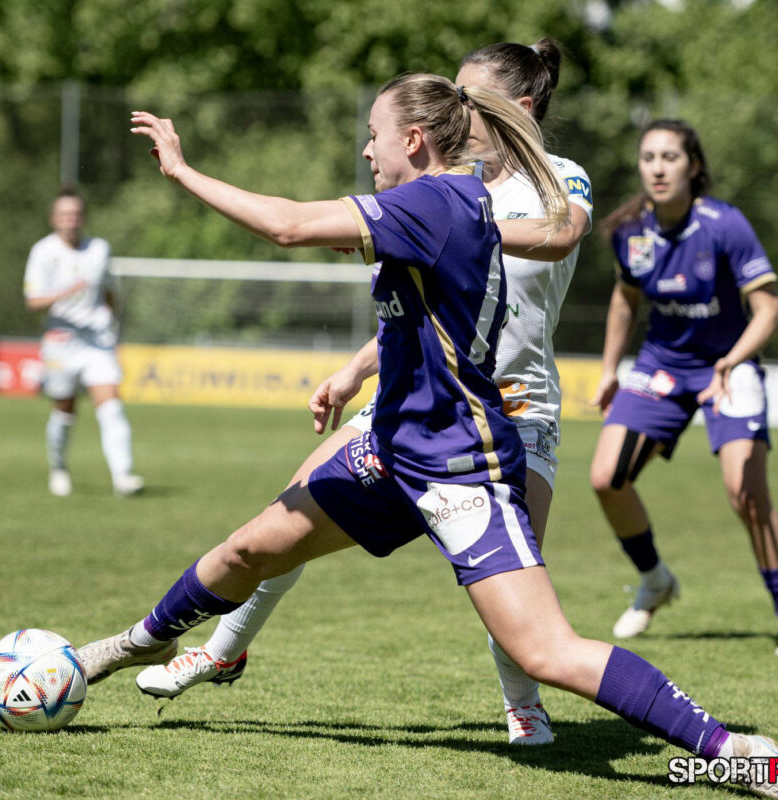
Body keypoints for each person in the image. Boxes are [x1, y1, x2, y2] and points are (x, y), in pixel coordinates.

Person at [77, 77, 778, 795]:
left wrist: (182, 170)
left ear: (412, 140)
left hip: (458, 464)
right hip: (390, 448)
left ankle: (738, 750)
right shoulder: (451, 201)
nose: (366, 150)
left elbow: (285, 224)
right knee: (249, 547)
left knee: (545, 651)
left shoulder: (434, 202)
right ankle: (127, 647)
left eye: (373, 135)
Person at [133, 39, 593, 747]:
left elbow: (562, 235)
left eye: (469, 96)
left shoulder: (557, 177)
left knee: (516, 569)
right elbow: (425, 307)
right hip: (414, 392)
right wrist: (354, 371)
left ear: (520, 108)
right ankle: (221, 649)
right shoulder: (442, 185)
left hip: (513, 403)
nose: (455, 106)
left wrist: (457, 229)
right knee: (291, 507)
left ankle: (523, 703)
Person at [589, 120, 778, 643]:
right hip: (662, 367)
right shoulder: (630, 231)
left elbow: (767, 310)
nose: (657, 168)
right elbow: (625, 299)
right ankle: (655, 581)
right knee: (606, 478)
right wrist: (609, 370)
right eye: (648, 157)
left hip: (728, 365)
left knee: (747, 495)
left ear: (693, 166)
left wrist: (732, 360)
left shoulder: (725, 224)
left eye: (669, 157)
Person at [23, 189, 144, 497]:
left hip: (96, 341)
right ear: (53, 219)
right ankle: (59, 467)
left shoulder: (99, 249)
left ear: (83, 218)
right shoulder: (43, 252)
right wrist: (66, 291)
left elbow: (108, 290)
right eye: (64, 215)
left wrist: (111, 319)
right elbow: (32, 301)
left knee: (111, 406)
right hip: (61, 340)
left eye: (76, 214)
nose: (71, 220)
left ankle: (123, 476)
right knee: (65, 409)